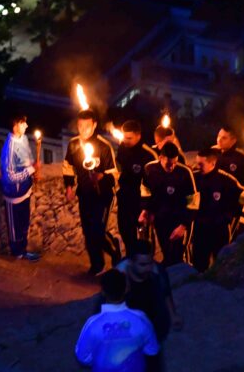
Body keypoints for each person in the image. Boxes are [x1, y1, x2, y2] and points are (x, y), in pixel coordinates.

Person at [63, 109, 121, 275]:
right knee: (88, 231)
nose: (83, 130)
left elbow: (114, 175)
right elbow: (68, 167)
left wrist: (101, 177)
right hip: (85, 194)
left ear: (94, 125)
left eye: (87, 126)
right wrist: (69, 187)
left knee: (98, 230)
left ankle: (114, 249)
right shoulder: (73, 144)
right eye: (80, 126)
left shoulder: (104, 146)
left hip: (103, 196)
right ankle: (97, 264)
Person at [76, 269, 160, 372]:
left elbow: (82, 357)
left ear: (103, 292)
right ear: (126, 289)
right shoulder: (141, 319)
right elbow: (152, 350)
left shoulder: (92, 324)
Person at [117, 240, 183, 370]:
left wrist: (173, 315)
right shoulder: (118, 277)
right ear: (131, 262)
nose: (148, 268)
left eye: (150, 263)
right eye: (142, 264)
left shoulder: (157, 271)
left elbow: (166, 293)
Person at [192, 148, 244, 272]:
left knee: (221, 265)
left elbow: (243, 195)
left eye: (201, 164)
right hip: (200, 230)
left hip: (219, 230)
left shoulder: (225, 179)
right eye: (197, 163)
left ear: (212, 163)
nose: (197, 167)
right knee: (199, 266)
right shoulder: (194, 178)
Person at [139, 142, 199, 266]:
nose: (171, 167)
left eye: (174, 163)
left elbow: (193, 202)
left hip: (179, 220)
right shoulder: (150, 169)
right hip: (160, 219)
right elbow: (145, 191)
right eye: (168, 164)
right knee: (166, 254)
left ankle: (184, 276)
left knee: (179, 257)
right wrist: (145, 210)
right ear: (160, 158)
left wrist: (184, 225)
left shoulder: (184, 172)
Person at [0, 113, 41, 262]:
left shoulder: (23, 138)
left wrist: (34, 170)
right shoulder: (9, 149)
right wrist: (31, 170)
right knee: (15, 227)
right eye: (23, 123)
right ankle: (17, 252)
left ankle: (23, 250)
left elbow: (28, 158)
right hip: (14, 194)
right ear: (15, 125)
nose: (26, 125)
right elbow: (9, 177)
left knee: (24, 223)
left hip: (25, 190)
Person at [116, 120, 159, 256]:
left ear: (138, 136)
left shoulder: (148, 154)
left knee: (143, 236)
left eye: (129, 138)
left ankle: (145, 262)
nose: (126, 141)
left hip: (141, 201)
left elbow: (154, 184)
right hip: (125, 198)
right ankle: (131, 258)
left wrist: (150, 208)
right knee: (125, 230)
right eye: (124, 137)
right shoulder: (122, 148)